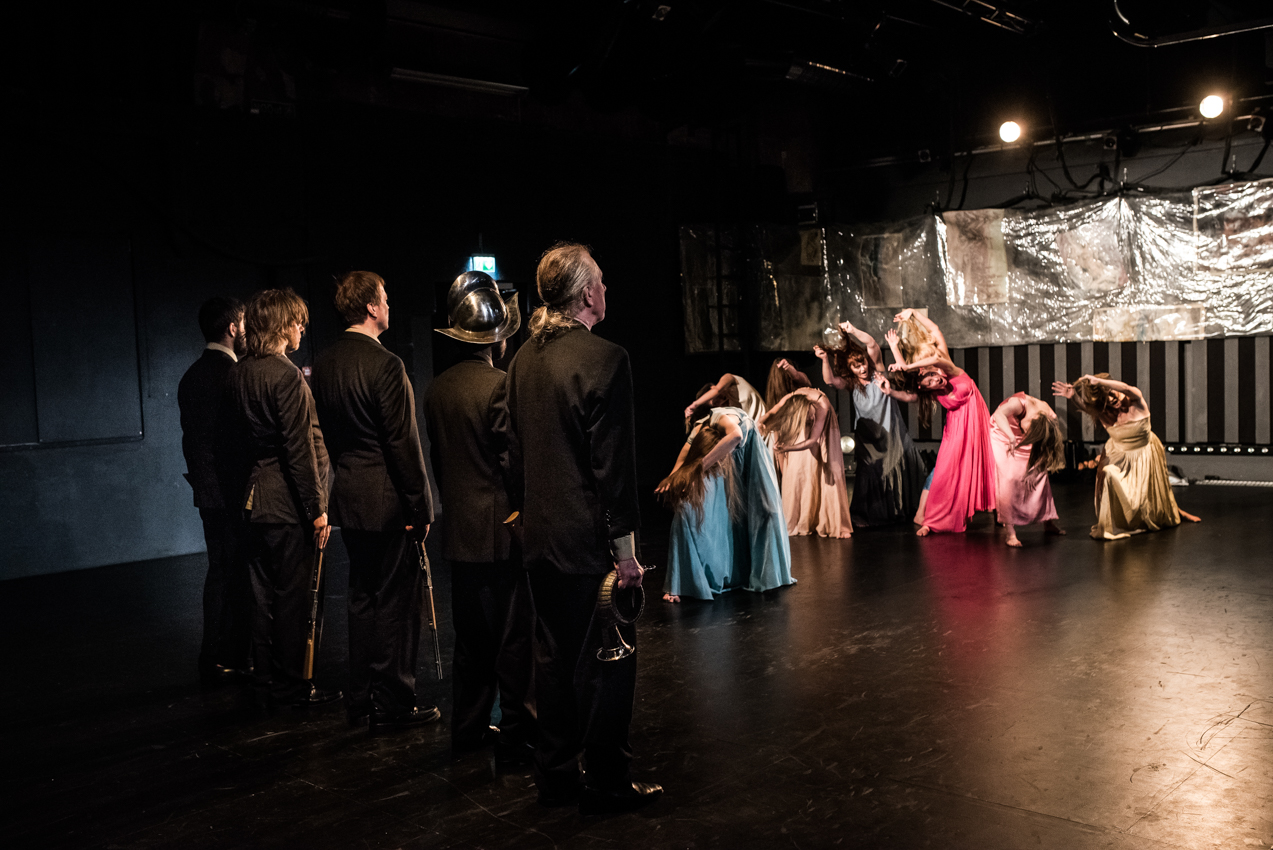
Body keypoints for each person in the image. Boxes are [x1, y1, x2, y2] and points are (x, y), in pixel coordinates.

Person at [499, 243, 661, 814]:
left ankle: (557, 775)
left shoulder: (523, 359)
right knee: (609, 664)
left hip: (540, 540)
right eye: (602, 282)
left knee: (553, 661)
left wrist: (527, 520)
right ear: (587, 293)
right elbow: (613, 469)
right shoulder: (606, 358)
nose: (607, 290)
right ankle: (609, 779)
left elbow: (513, 456)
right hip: (590, 544)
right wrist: (627, 553)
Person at [310, 271, 439, 733]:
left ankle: (362, 700)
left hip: (349, 498)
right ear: (369, 307)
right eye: (383, 298)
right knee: (396, 606)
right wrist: (420, 508)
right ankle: (393, 704)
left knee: (362, 600)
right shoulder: (385, 364)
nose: (388, 305)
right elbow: (403, 445)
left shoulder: (325, 363)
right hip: (386, 502)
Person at [424, 271, 535, 762]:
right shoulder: (499, 386)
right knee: (513, 639)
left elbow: (442, 461)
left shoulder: (436, 390)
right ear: (497, 339)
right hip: (501, 532)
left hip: (459, 532)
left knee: (470, 641)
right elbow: (513, 463)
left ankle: (468, 731)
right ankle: (517, 734)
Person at [221, 289, 339, 708]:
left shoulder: (237, 373)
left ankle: (265, 678)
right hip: (286, 505)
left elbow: (231, 448)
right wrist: (317, 509)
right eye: (296, 320)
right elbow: (298, 450)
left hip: (252, 503)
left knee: (261, 597)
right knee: (293, 597)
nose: (301, 327)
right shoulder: (285, 375)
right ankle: (292, 684)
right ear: (279, 326)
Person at [178, 296, 251, 685]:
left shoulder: (191, 376)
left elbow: (193, 442)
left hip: (208, 493)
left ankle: (216, 657)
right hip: (231, 494)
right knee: (232, 574)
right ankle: (227, 655)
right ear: (233, 327)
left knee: (220, 571)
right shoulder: (232, 375)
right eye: (244, 322)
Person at [659, 402, 795, 600]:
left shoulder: (719, 418)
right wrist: (673, 478)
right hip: (722, 456)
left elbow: (737, 436)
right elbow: (684, 456)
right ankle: (691, 580)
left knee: (764, 510)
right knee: (711, 511)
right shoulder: (698, 431)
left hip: (750, 455)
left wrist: (699, 468)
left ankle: (766, 573)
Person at [1053, 373, 1201, 540]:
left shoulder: (1135, 401)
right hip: (1119, 457)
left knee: (1148, 500)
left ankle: (1175, 512)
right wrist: (1073, 396)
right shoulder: (1105, 412)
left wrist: (1100, 382)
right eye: (1106, 399)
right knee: (1110, 476)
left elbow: (1126, 388)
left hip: (1144, 455)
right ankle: (1114, 525)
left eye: (1111, 393)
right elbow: (1089, 408)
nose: (1111, 399)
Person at [888, 312, 996, 536]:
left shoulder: (948, 368)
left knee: (989, 465)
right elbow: (911, 393)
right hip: (956, 429)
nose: (937, 378)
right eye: (930, 382)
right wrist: (895, 353)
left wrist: (914, 314)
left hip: (976, 424)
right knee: (944, 472)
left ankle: (1001, 514)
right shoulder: (930, 388)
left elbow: (935, 333)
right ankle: (931, 520)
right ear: (925, 385)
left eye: (934, 375)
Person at [816, 320, 926, 527]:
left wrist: (853, 330)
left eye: (863, 363)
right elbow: (830, 381)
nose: (862, 368)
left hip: (890, 432)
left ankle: (899, 511)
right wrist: (824, 359)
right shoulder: (852, 383)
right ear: (851, 369)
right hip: (868, 437)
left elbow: (872, 344)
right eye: (856, 366)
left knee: (895, 467)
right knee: (869, 473)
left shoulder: (879, 372)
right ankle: (866, 515)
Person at [657, 423, 742, 601]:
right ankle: (687, 582)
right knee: (690, 526)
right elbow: (682, 539)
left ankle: (710, 575)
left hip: (711, 526)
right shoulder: (694, 480)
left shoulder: (720, 475)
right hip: (696, 523)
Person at [758, 387, 852, 538]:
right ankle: (804, 519)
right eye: (807, 417)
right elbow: (772, 412)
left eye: (810, 416)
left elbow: (812, 441)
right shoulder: (790, 399)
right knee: (802, 468)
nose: (810, 418)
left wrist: (788, 448)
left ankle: (832, 522)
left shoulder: (822, 406)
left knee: (828, 468)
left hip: (824, 428)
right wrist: (761, 421)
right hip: (800, 418)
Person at [990, 393, 1066, 547]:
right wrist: (1011, 437)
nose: (1027, 431)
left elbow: (1045, 445)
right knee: (1008, 477)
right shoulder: (1019, 404)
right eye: (1029, 429)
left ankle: (1048, 522)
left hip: (1022, 437)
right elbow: (999, 415)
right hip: (1003, 432)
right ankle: (1010, 532)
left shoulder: (1049, 416)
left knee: (1040, 474)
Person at [684, 372, 766, 430]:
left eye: (716, 398)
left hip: (767, 424)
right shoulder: (730, 410)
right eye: (715, 404)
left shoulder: (729, 379)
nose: (720, 402)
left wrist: (694, 404)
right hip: (759, 435)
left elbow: (717, 390)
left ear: (712, 387)